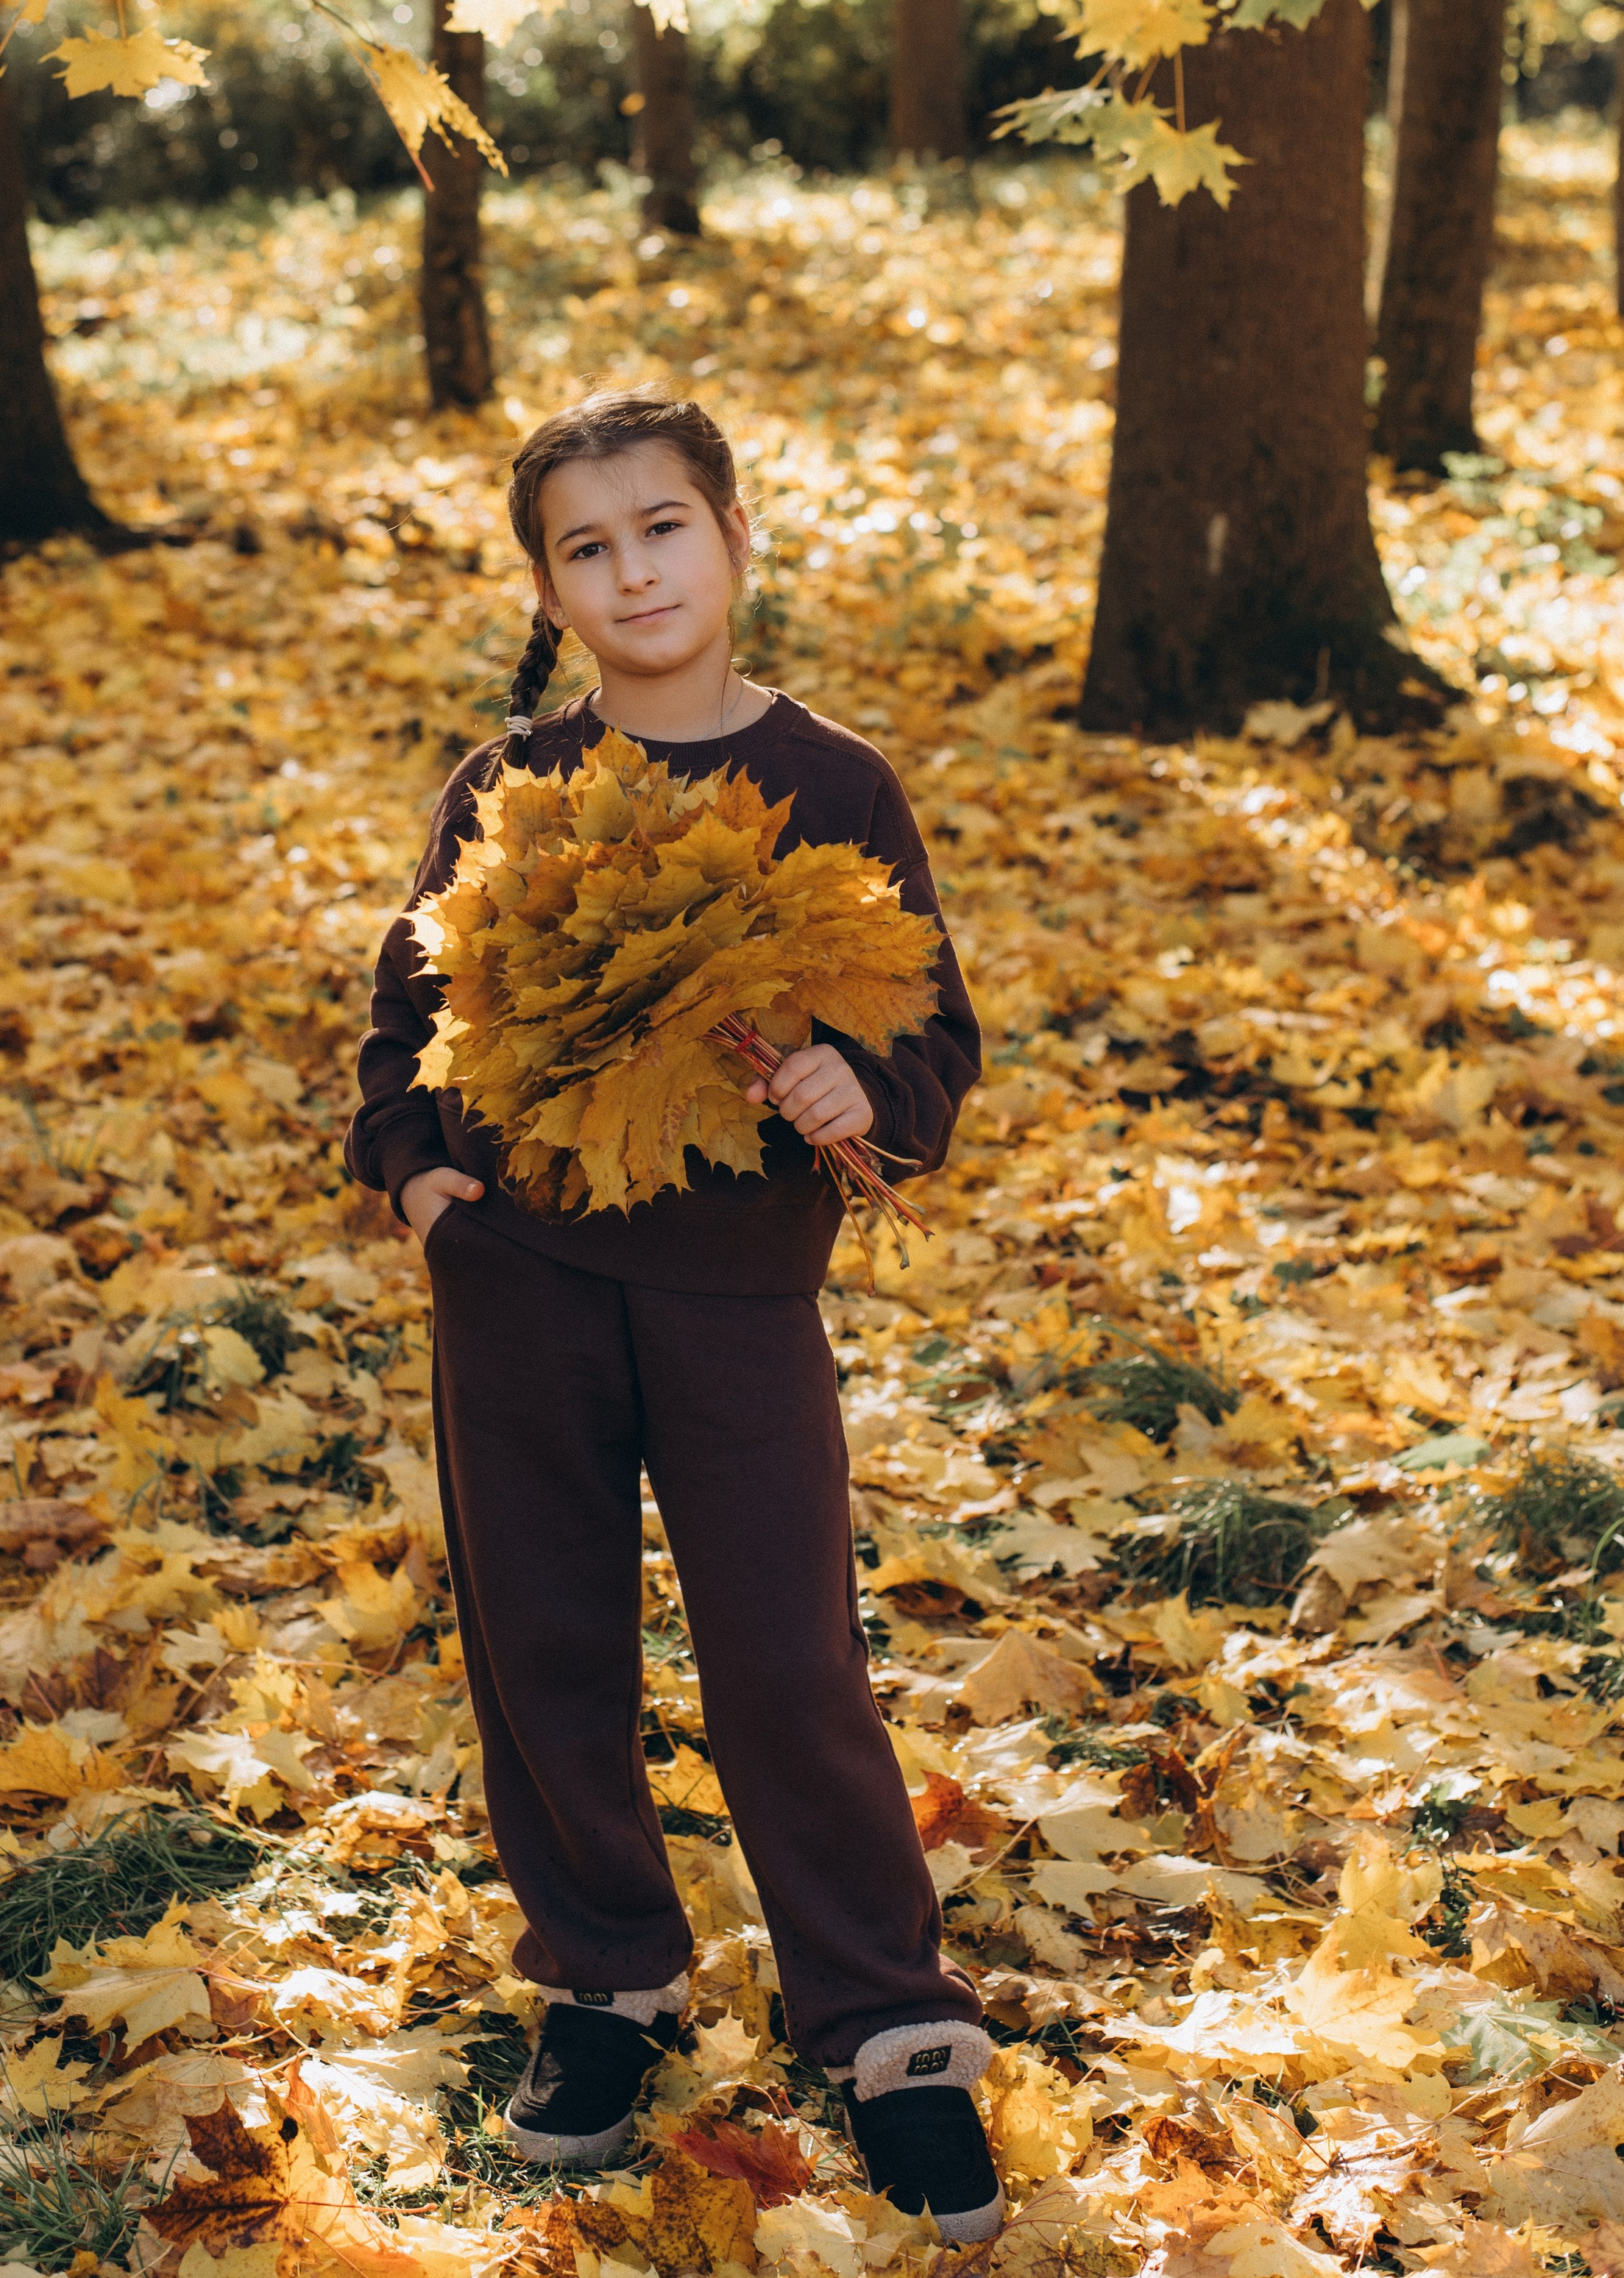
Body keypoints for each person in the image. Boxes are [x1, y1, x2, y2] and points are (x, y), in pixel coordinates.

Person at [345, 390, 1000, 2241]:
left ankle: (880, 2015)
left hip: (734, 1301)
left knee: (785, 1656)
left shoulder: (835, 783)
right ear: (546, 586)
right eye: (586, 546)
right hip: (520, 1290)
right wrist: (418, 1178)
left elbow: (928, 1023)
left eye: (660, 529)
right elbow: (403, 1025)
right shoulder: (503, 788)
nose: (631, 570)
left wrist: (860, 1092)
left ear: (730, 539)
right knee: (542, 1643)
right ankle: (607, 1977)